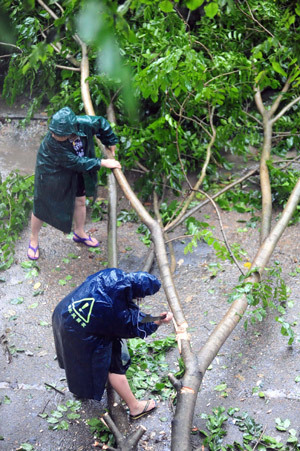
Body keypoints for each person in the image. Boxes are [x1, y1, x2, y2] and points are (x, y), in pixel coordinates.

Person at [52, 268, 173, 420]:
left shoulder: (112, 274)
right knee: (113, 365)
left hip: (65, 312)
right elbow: (132, 326)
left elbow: (128, 315)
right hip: (82, 332)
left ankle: (78, 389)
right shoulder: (113, 311)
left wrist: (153, 317)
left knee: (75, 358)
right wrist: (158, 321)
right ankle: (134, 406)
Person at [28, 107, 121, 260]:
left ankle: (79, 232)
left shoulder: (83, 123)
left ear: (71, 130)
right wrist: (102, 162)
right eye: (53, 132)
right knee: (41, 205)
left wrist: (110, 141)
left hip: (78, 167)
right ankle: (33, 239)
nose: (54, 136)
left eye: (59, 134)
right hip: (51, 169)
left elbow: (101, 123)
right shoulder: (52, 144)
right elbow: (76, 162)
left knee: (80, 200)